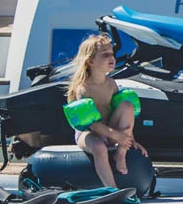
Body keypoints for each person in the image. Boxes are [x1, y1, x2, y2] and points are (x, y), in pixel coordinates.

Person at [63, 34, 147, 189]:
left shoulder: (111, 84)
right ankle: (112, 188)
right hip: (88, 133)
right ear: (91, 61)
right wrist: (116, 135)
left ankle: (121, 153)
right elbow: (91, 124)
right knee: (99, 148)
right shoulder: (83, 88)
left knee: (127, 106)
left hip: (110, 129)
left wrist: (129, 140)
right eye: (105, 55)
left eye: (112, 54)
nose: (111, 58)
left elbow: (124, 116)